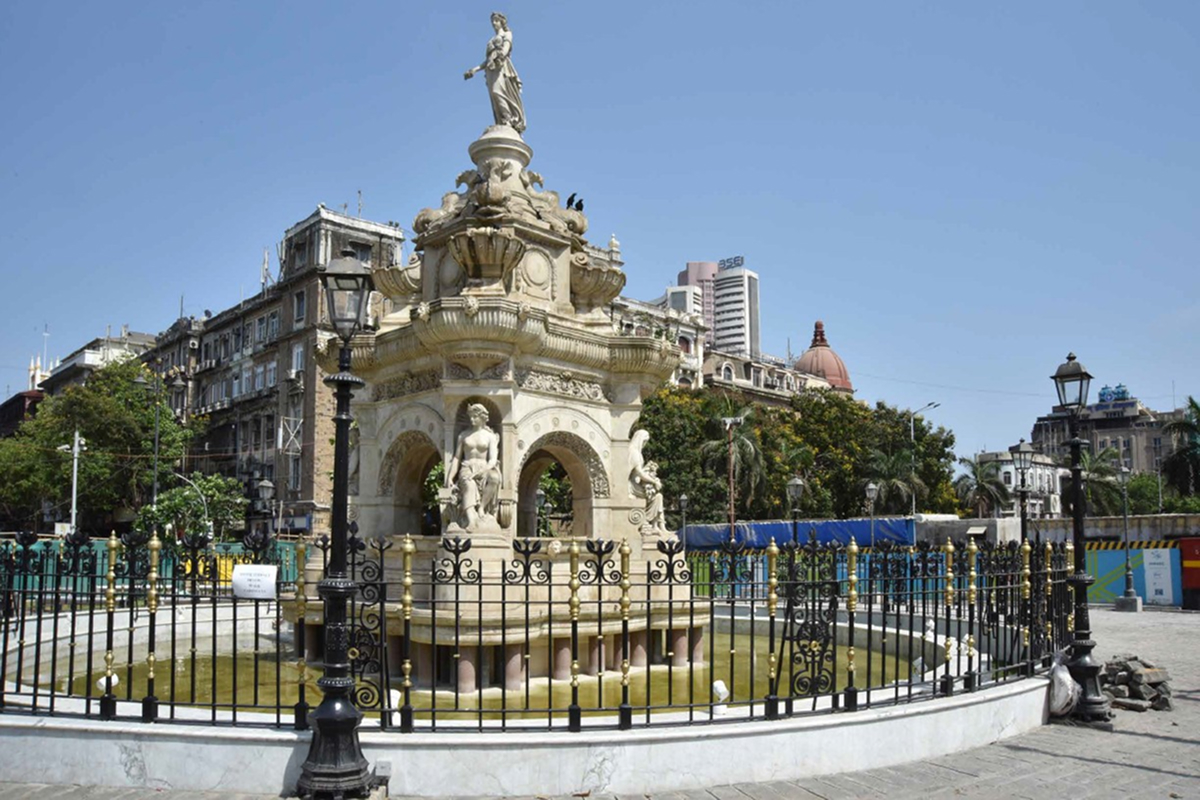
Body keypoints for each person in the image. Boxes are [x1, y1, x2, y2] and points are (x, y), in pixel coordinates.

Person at [464, 12, 526, 133]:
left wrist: (500, 57)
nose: (494, 23)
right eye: (492, 21)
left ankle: (508, 119)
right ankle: (501, 121)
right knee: (493, 95)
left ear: (502, 22)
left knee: (497, 91)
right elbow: (488, 60)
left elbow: (506, 48)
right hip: (490, 69)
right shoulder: (491, 40)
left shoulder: (507, 34)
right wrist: (474, 70)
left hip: (501, 67)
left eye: (496, 20)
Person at [446, 403, 502, 530]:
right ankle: (472, 521)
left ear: (482, 417)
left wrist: (483, 470)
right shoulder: (463, 435)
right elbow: (456, 458)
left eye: (475, 416)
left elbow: (493, 459)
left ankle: (482, 507)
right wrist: (450, 477)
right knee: (469, 485)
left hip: (484, 467)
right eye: (470, 416)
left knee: (494, 478)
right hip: (467, 467)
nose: (472, 419)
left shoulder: (490, 436)